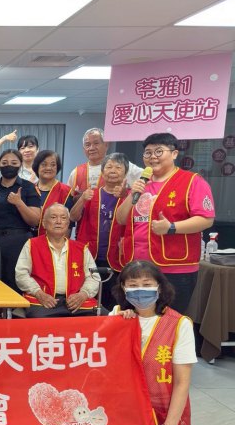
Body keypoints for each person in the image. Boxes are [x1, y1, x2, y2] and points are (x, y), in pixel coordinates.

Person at [81, 260, 195, 425]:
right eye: (133, 285)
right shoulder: (117, 313)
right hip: (123, 408)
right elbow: (98, 357)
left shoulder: (179, 324)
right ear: (123, 288)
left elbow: (182, 383)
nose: (140, 290)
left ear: (159, 287)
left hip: (157, 411)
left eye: (147, 284)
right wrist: (115, 326)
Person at [115, 133, 215, 313]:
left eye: (159, 151)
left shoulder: (192, 181)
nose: (152, 157)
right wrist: (131, 195)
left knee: (169, 320)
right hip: (137, 267)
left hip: (174, 268)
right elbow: (121, 219)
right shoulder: (141, 183)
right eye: (148, 153)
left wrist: (171, 228)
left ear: (174, 154)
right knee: (136, 320)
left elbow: (206, 219)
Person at [15, 203, 99, 317]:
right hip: (43, 300)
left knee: (104, 318)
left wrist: (83, 294)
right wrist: (38, 293)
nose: (58, 221)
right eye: (53, 217)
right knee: (41, 321)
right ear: (44, 223)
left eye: (63, 218)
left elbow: (94, 277)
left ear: (68, 224)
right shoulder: (31, 245)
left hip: (75, 301)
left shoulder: (81, 248)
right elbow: (21, 274)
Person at [70, 153, 130, 311]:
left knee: (114, 304)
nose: (113, 170)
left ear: (125, 173)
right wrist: (82, 199)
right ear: (102, 172)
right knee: (88, 303)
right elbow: (72, 217)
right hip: (90, 256)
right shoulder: (91, 194)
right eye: (109, 167)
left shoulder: (130, 196)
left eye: (118, 167)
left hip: (118, 259)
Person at [0, 149, 41, 292]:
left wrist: (19, 203)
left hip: (19, 241)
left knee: (16, 282)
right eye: (4, 163)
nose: (8, 166)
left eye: (13, 163)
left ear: (20, 165)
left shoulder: (28, 187)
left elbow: (35, 220)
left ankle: (16, 307)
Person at [67, 128, 142, 196]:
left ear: (106, 145)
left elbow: (146, 182)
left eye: (96, 143)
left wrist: (127, 193)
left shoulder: (122, 165)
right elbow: (68, 199)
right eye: (87, 145)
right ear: (84, 149)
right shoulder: (76, 172)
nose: (92, 148)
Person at [31, 150, 73, 235]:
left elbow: (69, 225)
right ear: (37, 167)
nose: (48, 168)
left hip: (54, 240)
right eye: (44, 164)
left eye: (53, 165)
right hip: (28, 239)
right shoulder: (29, 189)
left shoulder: (66, 191)